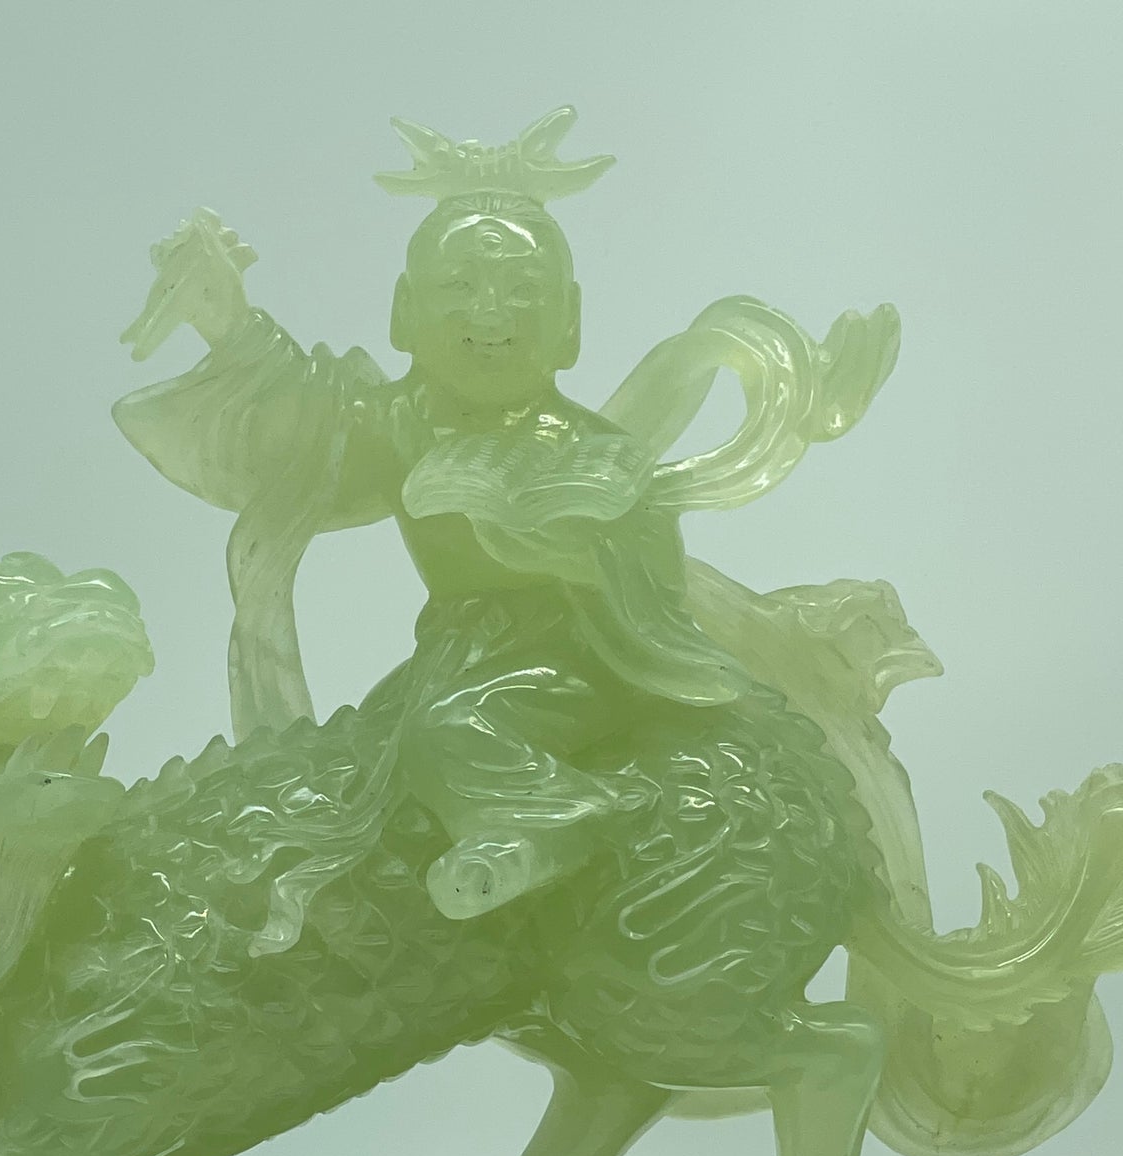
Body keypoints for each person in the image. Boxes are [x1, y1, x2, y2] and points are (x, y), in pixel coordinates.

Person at [114, 110, 748, 922]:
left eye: (524, 289)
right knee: (347, 771)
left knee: (452, 729)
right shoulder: (401, 423)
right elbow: (302, 420)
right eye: (459, 286)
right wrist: (230, 322)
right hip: (454, 658)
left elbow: (652, 570)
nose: (491, 312)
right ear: (403, 313)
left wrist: (543, 543)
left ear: (571, 324)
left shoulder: (589, 449)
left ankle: (557, 824)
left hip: (584, 659)